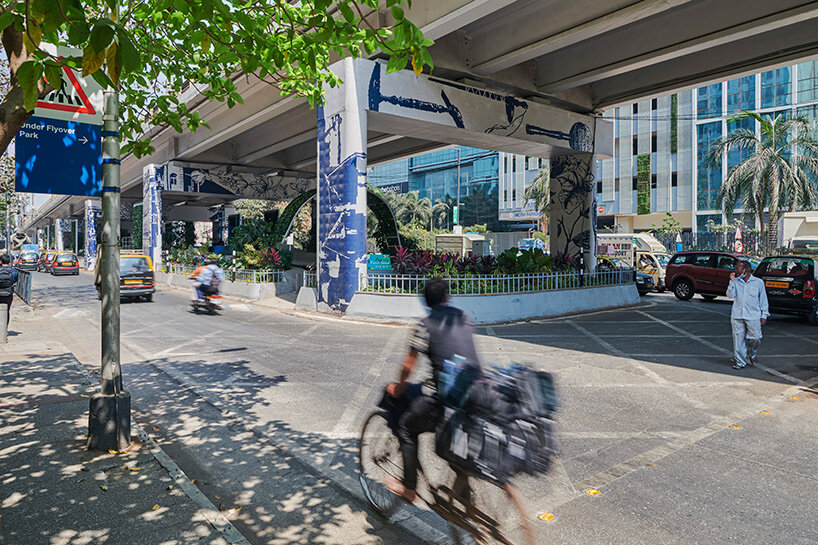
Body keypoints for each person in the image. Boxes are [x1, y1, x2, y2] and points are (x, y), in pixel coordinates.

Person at [384, 278, 480, 502]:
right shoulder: (464, 318)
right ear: (447, 297)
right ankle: (463, 487)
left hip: (447, 398)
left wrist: (398, 389)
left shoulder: (425, 326)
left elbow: (408, 367)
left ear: (426, 302)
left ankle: (409, 488)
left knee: (406, 427)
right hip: (476, 394)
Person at [727, 260, 769, 369]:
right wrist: (731, 282)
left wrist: (764, 315)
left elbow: (763, 299)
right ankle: (740, 362)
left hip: (753, 315)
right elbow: (730, 295)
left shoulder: (758, 282)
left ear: (746, 270)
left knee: (755, 338)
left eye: (738, 268)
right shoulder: (735, 281)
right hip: (737, 314)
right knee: (738, 339)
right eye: (735, 268)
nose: (735, 271)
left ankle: (752, 353)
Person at [0, 254, 19, 329]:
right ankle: (5, 329)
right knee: (7, 311)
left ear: (1, 261)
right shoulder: (14, 271)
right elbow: (15, 281)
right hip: (8, 294)